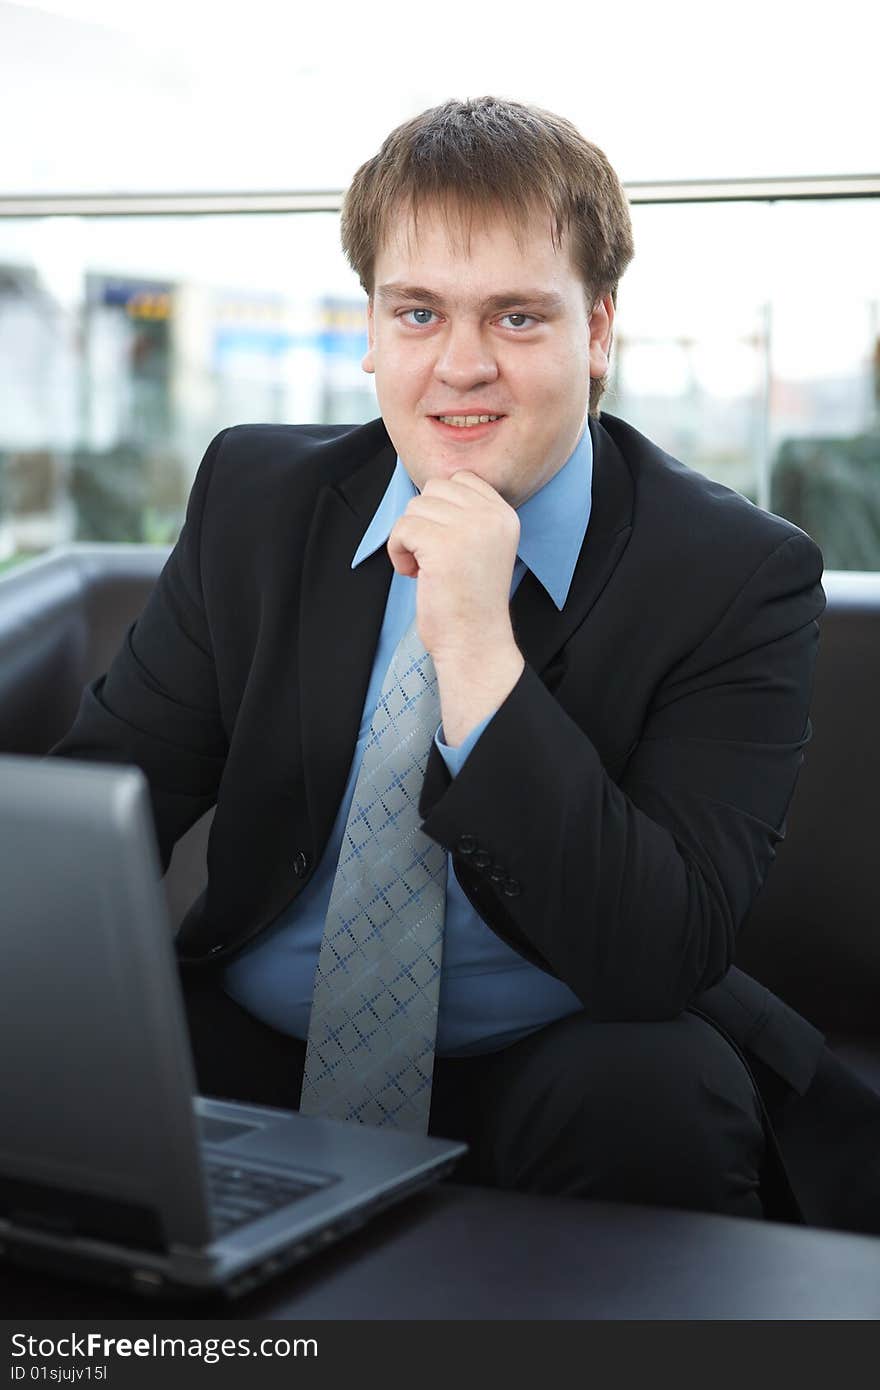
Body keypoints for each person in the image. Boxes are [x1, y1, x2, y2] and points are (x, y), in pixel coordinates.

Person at [52, 96, 880, 1233]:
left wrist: (478, 648)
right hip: (258, 1030)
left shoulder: (736, 573)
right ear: (373, 329)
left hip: (566, 1048)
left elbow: (654, 954)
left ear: (597, 331)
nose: (461, 366)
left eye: (517, 319)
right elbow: (107, 797)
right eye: (419, 312)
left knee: (653, 1093)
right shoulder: (255, 498)